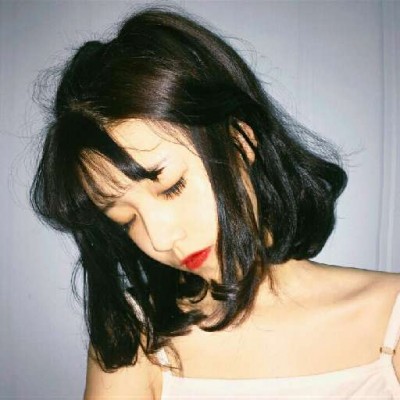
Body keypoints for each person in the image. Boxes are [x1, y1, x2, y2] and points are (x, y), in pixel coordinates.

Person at [30, 6, 400, 399]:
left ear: (241, 140)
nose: (160, 239)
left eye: (171, 187)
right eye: (126, 219)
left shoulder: (390, 320)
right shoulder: (138, 338)